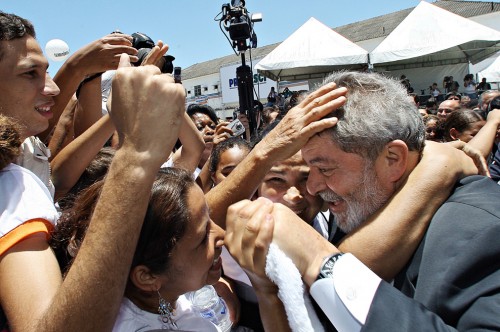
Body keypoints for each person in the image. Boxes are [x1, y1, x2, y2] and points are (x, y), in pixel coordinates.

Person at [225, 71, 499, 331]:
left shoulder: (484, 234)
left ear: (392, 159)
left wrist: (319, 259)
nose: (312, 187)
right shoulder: (356, 204)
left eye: (325, 169)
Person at [0, 11, 187, 330]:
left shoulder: (21, 158)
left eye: (48, 71)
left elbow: (54, 183)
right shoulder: (11, 183)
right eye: (30, 73)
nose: (53, 88)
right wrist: (136, 156)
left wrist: (115, 114)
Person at [51, 167, 228, 331]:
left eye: (210, 217)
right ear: (148, 277)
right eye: (203, 238)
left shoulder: (161, 296)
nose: (222, 234)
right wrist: (256, 280)